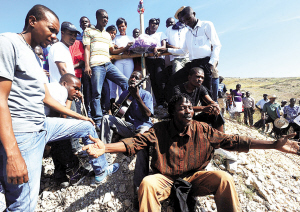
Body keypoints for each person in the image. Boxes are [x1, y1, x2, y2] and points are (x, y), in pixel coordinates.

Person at [83, 93, 300, 212]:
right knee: (148, 184)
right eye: (182, 107)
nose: (188, 110)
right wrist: (106, 147)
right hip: (165, 179)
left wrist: (272, 144)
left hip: (195, 178)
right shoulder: (159, 130)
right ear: (172, 112)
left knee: (223, 178)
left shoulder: (203, 129)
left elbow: (234, 141)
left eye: (190, 107)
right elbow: (135, 143)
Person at [0, 5, 119, 211]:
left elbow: (45, 97)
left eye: (56, 32)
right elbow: (1, 99)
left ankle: (101, 171)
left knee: (87, 128)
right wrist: (12, 154)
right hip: (24, 133)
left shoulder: (34, 56)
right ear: (32, 21)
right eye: (51, 30)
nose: (55, 36)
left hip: (42, 124)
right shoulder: (8, 42)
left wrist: (77, 117)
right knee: (23, 205)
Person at [83, 9, 129, 126]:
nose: (106, 19)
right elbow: (87, 49)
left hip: (108, 64)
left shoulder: (107, 35)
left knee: (125, 82)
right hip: (96, 65)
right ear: (97, 17)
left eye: (107, 17)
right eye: (103, 17)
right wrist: (87, 65)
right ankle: (98, 121)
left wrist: (125, 48)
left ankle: (125, 111)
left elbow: (112, 50)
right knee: (96, 93)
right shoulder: (89, 31)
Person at [164, 6, 221, 96]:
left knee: (207, 93)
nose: (187, 22)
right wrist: (167, 50)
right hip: (193, 64)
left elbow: (217, 45)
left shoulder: (207, 25)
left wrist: (211, 64)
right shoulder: (187, 33)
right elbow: (183, 51)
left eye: (188, 19)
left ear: (194, 14)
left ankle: (210, 107)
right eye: (185, 21)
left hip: (206, 63)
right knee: (174, 80)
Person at [173, 67, 224, 132]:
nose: (200, 79)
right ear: (189, 77)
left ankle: (221, 138)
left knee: (216, 114)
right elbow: (182, 108)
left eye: (202, 78)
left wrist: (215, 106)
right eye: (197, 77)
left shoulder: (200, 88)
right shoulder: (178, 89)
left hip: (192, 117)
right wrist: (203, 108)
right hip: (181, 118)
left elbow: (210, 101)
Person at [109, 18, 134, 101]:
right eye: (119, 27)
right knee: (119, 82)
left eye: (123, 26)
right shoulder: (115, 38)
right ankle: (119, 102)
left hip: (129, 62)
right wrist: (123, 49)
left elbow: (135, 49)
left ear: (126, 26)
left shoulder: (131, 38)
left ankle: (127, 101)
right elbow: (113, 49)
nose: (121, 29)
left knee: (127, 82)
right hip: (118, 62)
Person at [146, 18, 168, 107]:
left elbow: (164, 47)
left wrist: (156, 48)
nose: (153, 25)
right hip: (149, 60)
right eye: (151, 23)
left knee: (160, 80)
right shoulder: (146, 36)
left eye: (155, 24)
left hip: (159, 59)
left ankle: (164, 101)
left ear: (158, 26)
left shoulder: (161, 34)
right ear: (149, 24)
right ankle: (159, 103)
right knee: (153, 81)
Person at [165, 6, 189, 74]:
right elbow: (165, 44)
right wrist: (176, 48)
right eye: (181, 14)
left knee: (190, 78)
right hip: (176, 57)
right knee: (177, 77)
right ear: (178, 16)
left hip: (189, 57)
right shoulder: (169, 29)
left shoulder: (189, 28)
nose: (183, 16)